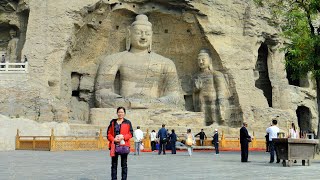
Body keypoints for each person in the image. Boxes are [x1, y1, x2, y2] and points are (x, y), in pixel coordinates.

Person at [95, 14, 183, 109]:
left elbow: (175, 96)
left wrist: (153, 103)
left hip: (154, 106)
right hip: (124, 107)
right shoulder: (113, 59)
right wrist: (128, 103)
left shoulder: (166, 62)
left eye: (147, 34)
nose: (143, 37)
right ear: (129, 34)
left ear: (152, 36)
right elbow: (102, 92)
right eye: (138, 33)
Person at [193, 49, 231, 125]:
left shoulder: (215, 73)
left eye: (203, 60)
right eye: (199, 60)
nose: (200, 62)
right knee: (202, 109)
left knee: (213, 109)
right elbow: (194, 89)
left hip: (213, 95)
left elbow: (220, 87)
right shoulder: (197, 75)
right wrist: (196, 88)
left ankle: (215, 121)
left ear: (209, 60)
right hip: (202, 96)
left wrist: (221, 97)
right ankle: (204, 122)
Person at [107, 107, 133, 180]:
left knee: (124, 164)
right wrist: (113, 139)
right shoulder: (113, 122)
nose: (120, 113)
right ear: (117, 113)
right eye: (119, 112)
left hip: (124, 146)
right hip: (114, 146)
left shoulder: (128, 122)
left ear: (124, 113)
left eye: (122, 112)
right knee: (114, 165)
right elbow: (108, 134)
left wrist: (123, 137)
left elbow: (131, 133)